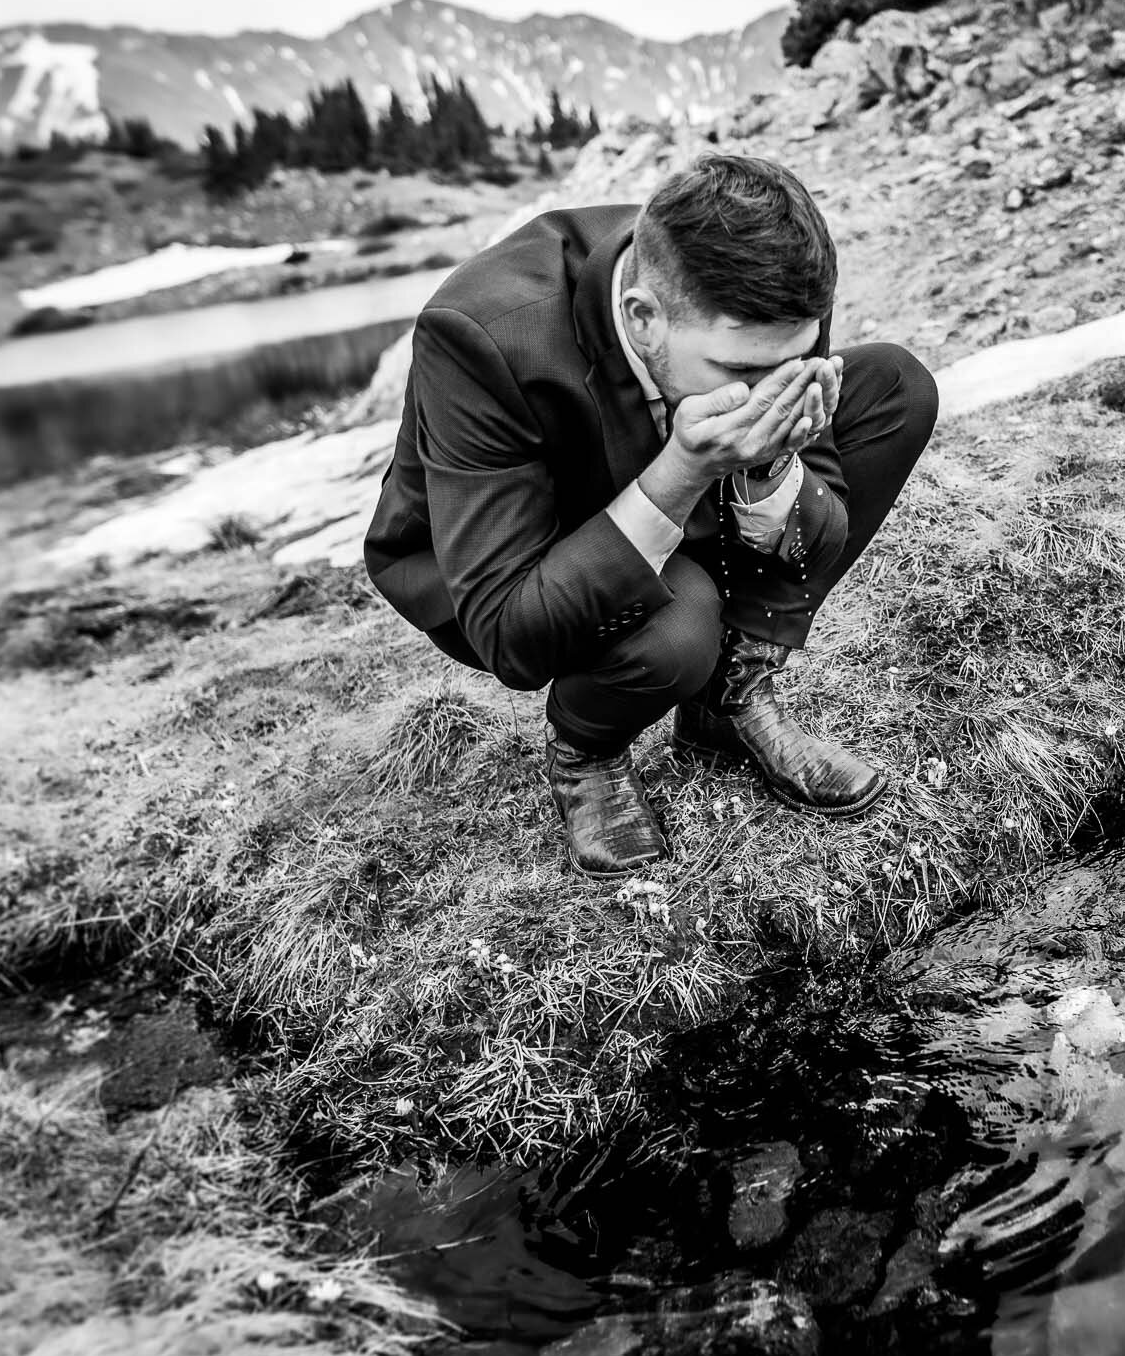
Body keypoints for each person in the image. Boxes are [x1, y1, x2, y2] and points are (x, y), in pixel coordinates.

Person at [363, 153, 939, 877]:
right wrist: (684, 471)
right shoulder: (480, 334)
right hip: (505, 560)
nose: (770, 394)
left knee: (895, 387)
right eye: (741, 375)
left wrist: (768, 464)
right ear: (642, 319)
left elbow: (818, 531)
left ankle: (731, 697)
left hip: (668, 497)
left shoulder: (760, 316)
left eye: (792, 362)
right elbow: (512, 635)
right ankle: (587, 750)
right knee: (680, 624)